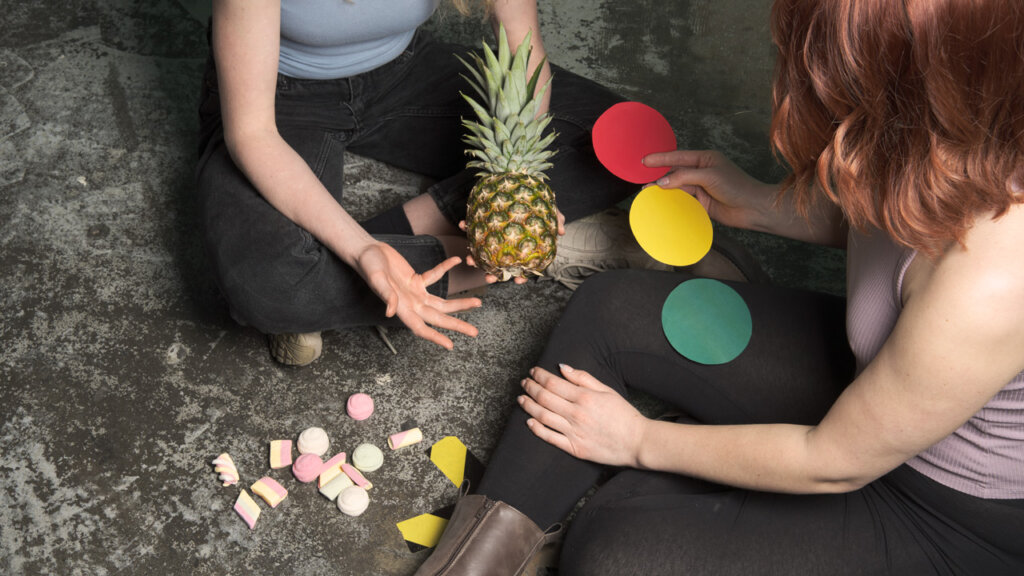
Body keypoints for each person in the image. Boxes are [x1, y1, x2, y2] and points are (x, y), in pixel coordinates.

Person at [414, 0, 1024, 574]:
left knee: (613, 547)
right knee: (611, 311)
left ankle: (693, 467)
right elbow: (900, 221)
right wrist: (758, 205)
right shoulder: (960, 130)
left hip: (936, 508)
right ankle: (475, 558)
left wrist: (639, 439)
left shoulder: (993, 279)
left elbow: (834, 463)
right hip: (874, 385)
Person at [195, 0, 650, 365]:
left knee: (632, 141)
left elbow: (522, 50)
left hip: (403, 71)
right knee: (268, 285)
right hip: (282, 92)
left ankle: (449, 239)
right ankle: (516, 254)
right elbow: (253, 133)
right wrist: (360, 249)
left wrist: (518, 184)